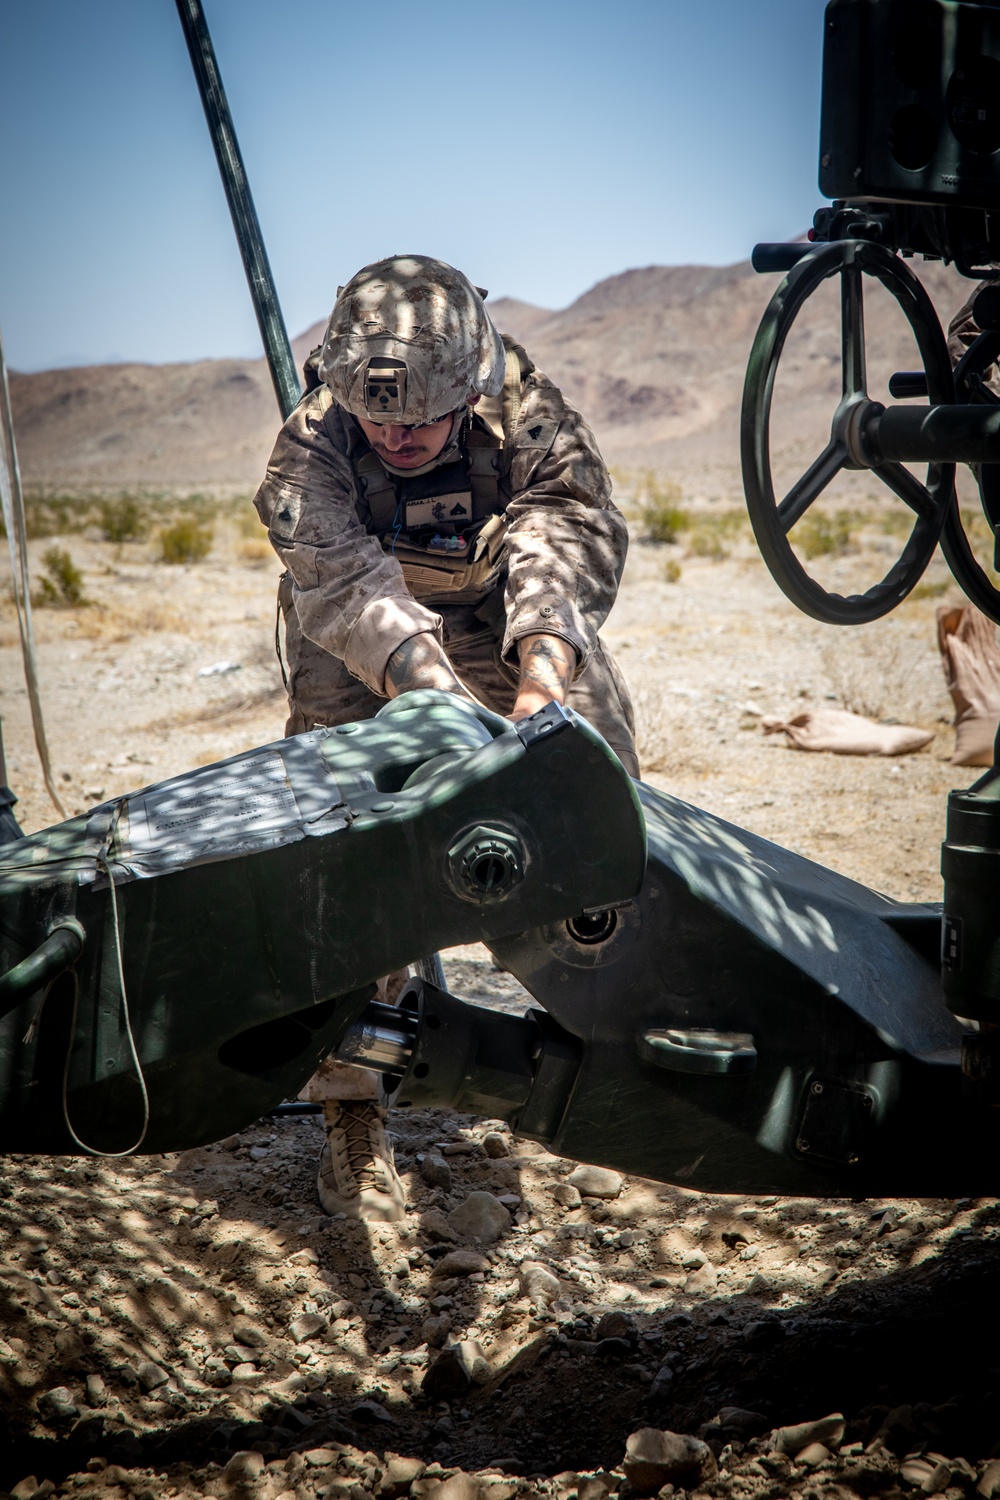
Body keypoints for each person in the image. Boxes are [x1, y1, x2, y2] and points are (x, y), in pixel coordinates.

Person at [253, 254, 638, 1222]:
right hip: (360, 641)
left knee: (595, 801)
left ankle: (624, 1052)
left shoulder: (526, 412)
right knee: (347, 844)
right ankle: (349, 1092)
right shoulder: (311, 447)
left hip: (507, 612)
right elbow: (341, 586)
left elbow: (568, 527)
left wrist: (543, 670)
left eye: (422, 420)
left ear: (470, 390)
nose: (399, 437)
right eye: (380, 420)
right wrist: (437, 707)